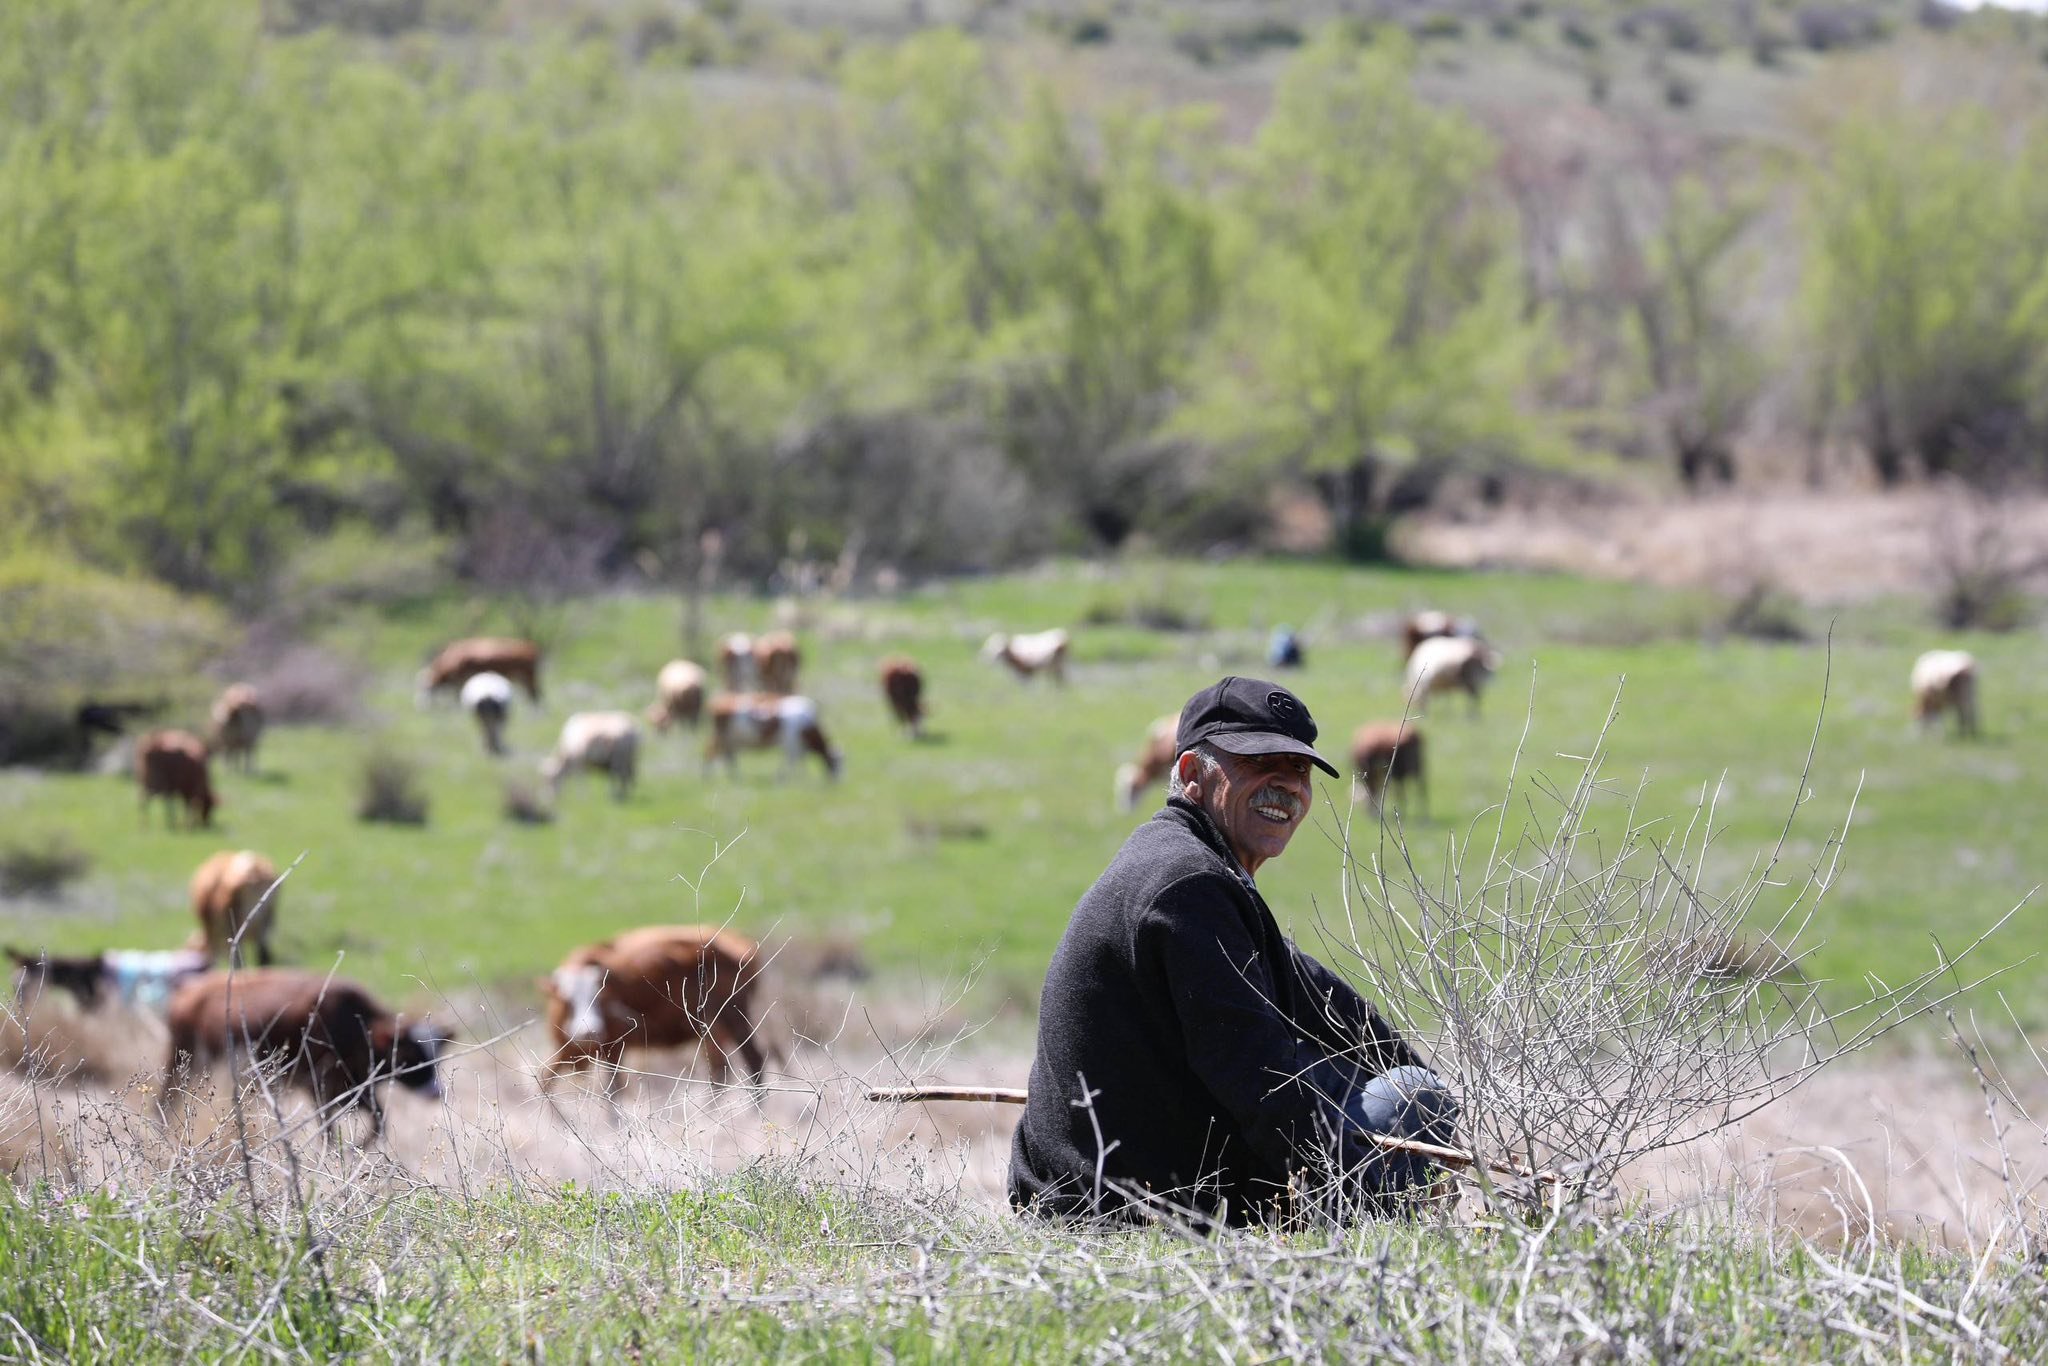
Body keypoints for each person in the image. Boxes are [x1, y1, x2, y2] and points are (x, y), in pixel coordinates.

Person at [1009, 677, 1456, 1227]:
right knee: (1410, 1104)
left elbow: (1316, 997)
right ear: (1194, 775)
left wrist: (1415, 1075)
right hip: (1127, 1211)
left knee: (1401, 1083)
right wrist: (1358, 1204)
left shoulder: (1186, 863)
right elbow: (1262, 1082)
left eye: (1299, 770)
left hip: (1102, 1187)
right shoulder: (1186, 885)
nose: (1286, 787)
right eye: (1259, 762)